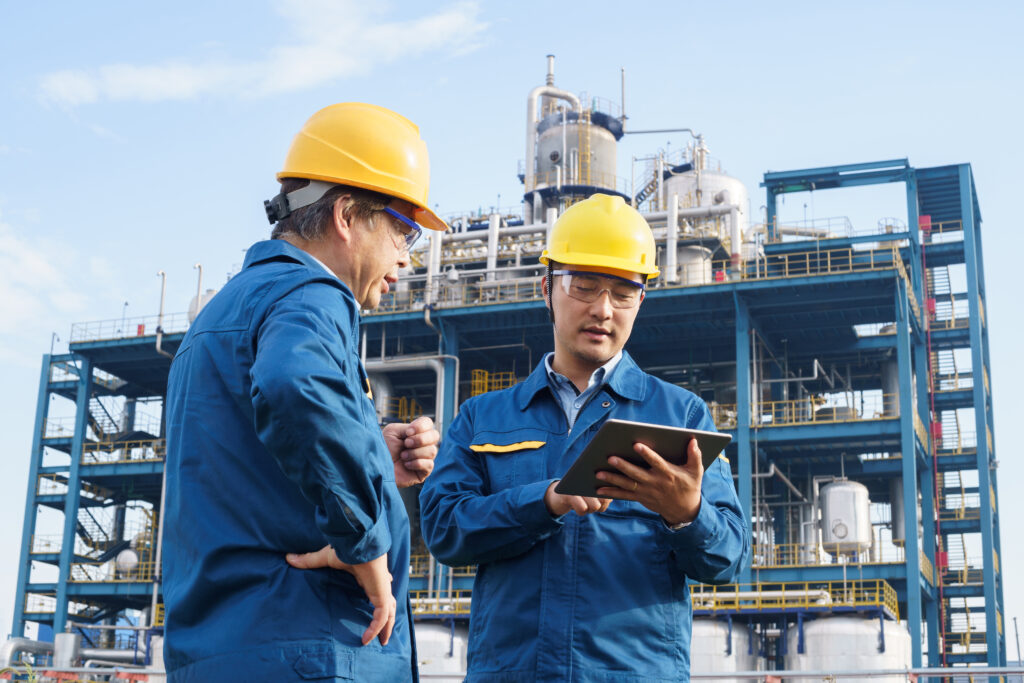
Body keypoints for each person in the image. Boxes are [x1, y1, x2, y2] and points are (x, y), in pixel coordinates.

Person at [163, 103, 447, 681]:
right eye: (402, 229)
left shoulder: (218, 317)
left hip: (223, 648)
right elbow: (293, 383)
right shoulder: (313, 292)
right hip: (310, 645)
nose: (404, 258)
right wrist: (365, 537)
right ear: (347, 214)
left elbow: (254, 460)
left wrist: (369, 449)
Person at [419, 193, 750, 682]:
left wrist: (688, 514)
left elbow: (729, 559)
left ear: (642, 299)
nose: (603, 309)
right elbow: (444, 530)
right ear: (546, 287)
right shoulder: (483, 417)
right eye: (583, 285)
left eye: (622, 291)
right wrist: (544, 502)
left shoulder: (682, 416)